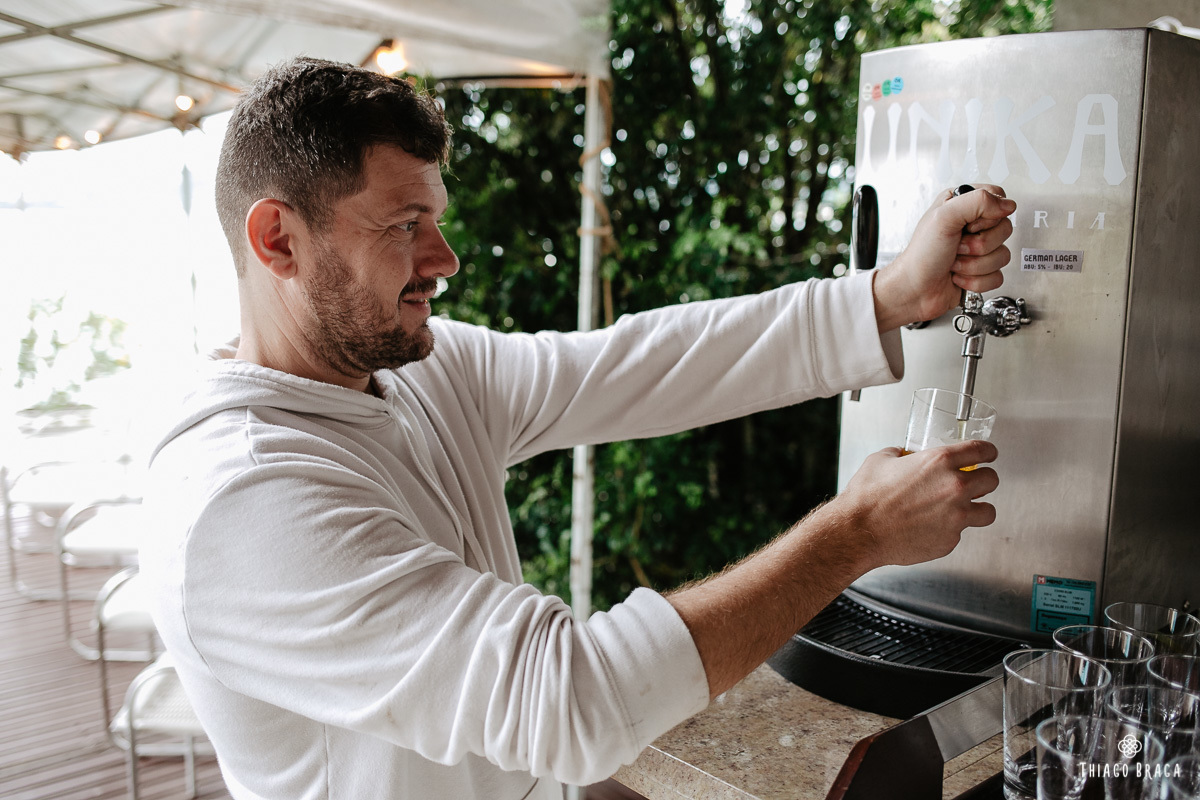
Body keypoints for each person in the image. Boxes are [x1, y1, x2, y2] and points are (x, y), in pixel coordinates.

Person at [140, 56, 1014, 800]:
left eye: (435, 220)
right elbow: (570, 700)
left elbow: (637, 363)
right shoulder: (239, 503)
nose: (444, 259)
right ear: (278, 242)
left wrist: (890, 295)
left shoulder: (415, 371)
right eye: (405, 226)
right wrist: (854, 534)